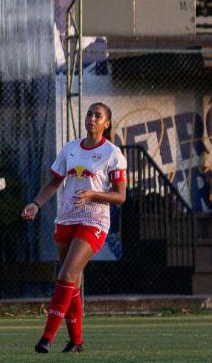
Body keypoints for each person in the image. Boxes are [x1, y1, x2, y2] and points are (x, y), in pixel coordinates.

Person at [21, 102, 126, 353]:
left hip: (94, 221)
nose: (92, 118)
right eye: (90, 114)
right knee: (73, 281)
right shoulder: (70, 148)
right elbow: (54, 182)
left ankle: (47, 337)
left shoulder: (113, 153)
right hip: (66, 219)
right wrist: (36, 203)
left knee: (66, 274)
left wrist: (92, 194)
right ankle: (76, 341)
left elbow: (120, 196)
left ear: (106, 124)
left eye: (98, 116)